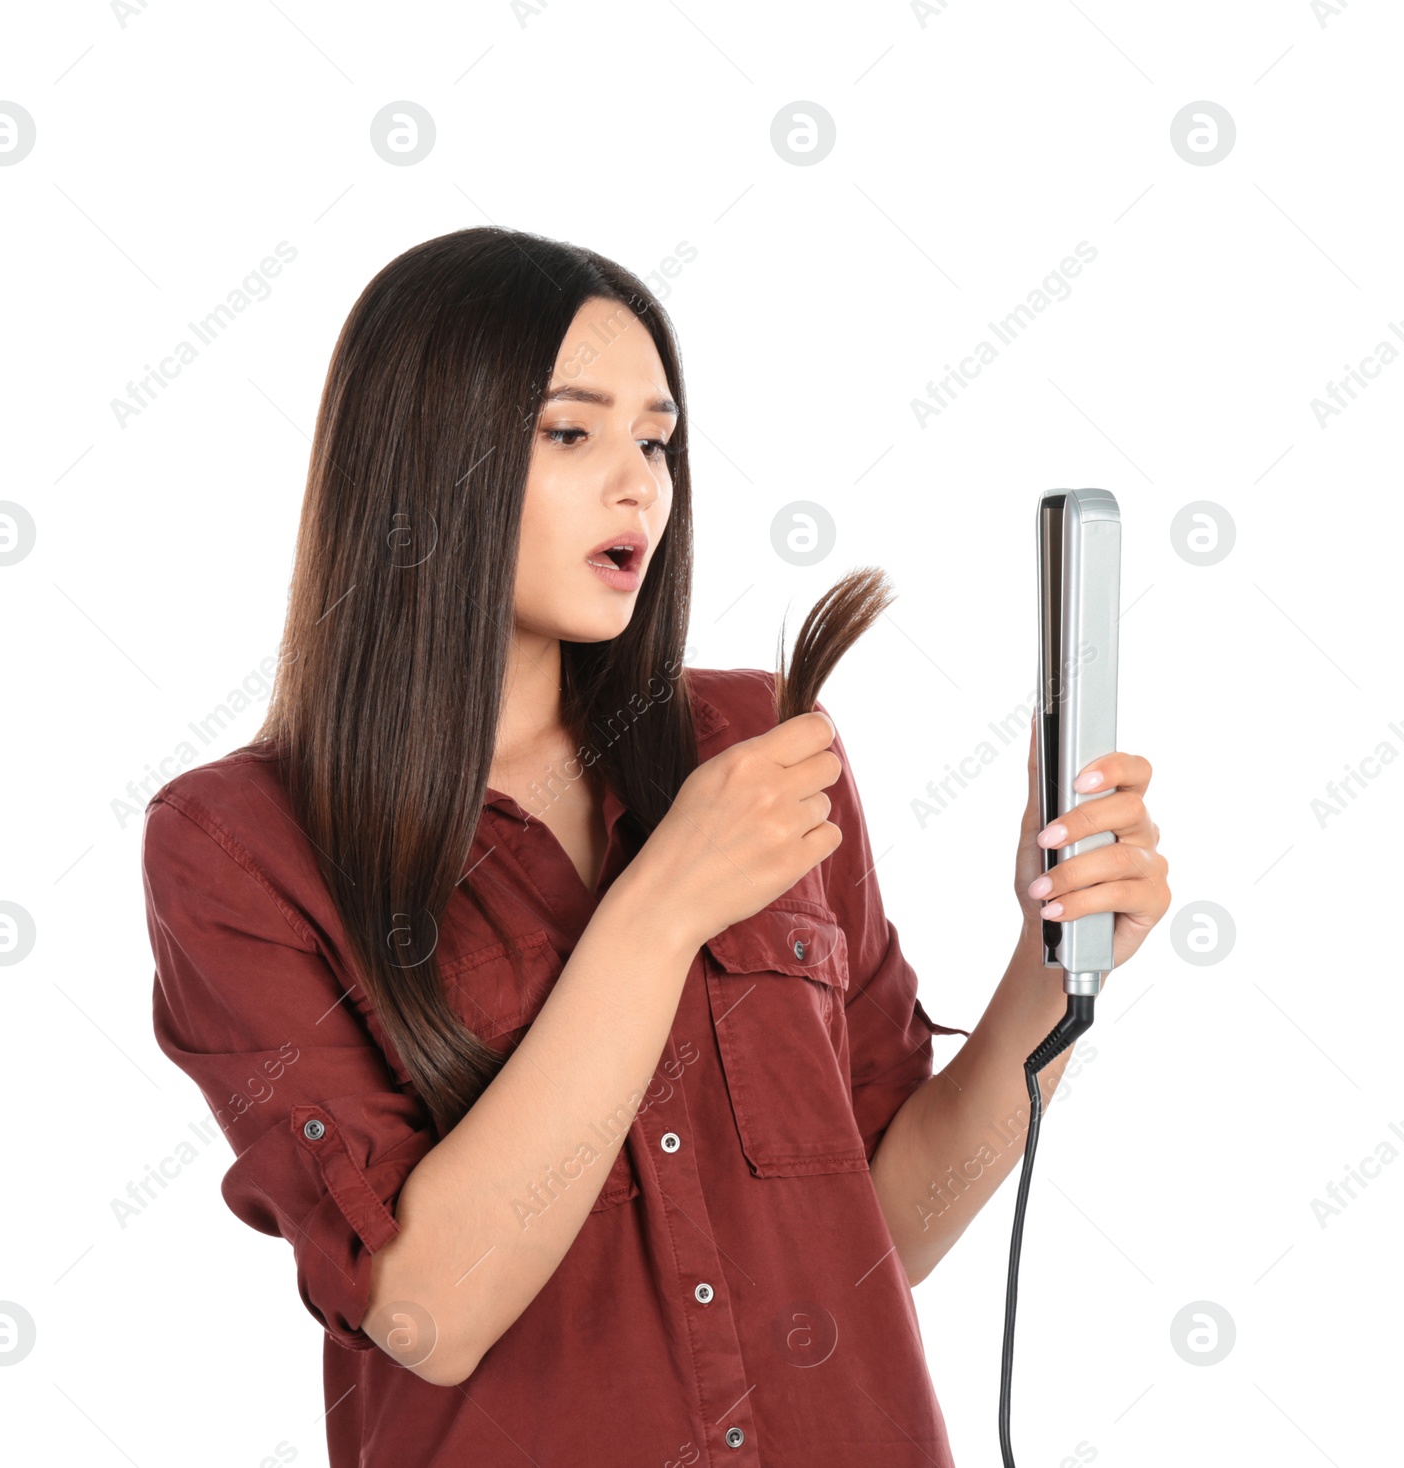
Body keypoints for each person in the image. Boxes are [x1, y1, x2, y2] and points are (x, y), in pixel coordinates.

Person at [139, 225, 1170, 1466]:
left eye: (656, 440)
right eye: (570, 433)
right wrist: (659, 907)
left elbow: (879, 1239)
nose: (640, 486)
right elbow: (425, 1311)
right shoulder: (238, 846)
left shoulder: (756, 744)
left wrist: (1049, 965)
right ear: (421, 464)